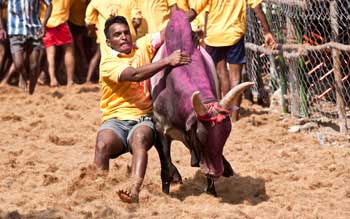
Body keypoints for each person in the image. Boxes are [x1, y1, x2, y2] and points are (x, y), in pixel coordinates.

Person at [94, 15, 191, 203]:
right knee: (102, 143)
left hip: (143, 119)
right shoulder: (108, 63)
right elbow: (135, 74)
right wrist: (167, 60)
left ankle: (134, 191)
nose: (123, 37)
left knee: (139, 139)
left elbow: (167, 32)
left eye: (126, 33)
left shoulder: (144, 45)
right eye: (117, 35)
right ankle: (98, 191)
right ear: (108, 42)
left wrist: (187, 17)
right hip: (115, 121)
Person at [189, 0, 276, 121]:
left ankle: (220, 112)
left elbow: (194, 11)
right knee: (235, 77)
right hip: (235, 35)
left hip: (214, 36)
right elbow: (257, 8)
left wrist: (179, 23)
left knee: (220, 74)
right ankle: (234, 118)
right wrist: (267, 31)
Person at [0, 0, 52, 94]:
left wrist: (44, 25)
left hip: (34, 30)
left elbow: (49, 5)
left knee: (34, 65)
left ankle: (31, 90)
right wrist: (1, 28)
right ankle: (22, 76)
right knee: (19, 64)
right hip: (16, 31)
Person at [42, 0, 74, 87]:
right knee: (69, 50)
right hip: (61, 22)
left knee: (50, 54)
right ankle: (70, 81)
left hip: (46, 23)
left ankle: (52, 79)